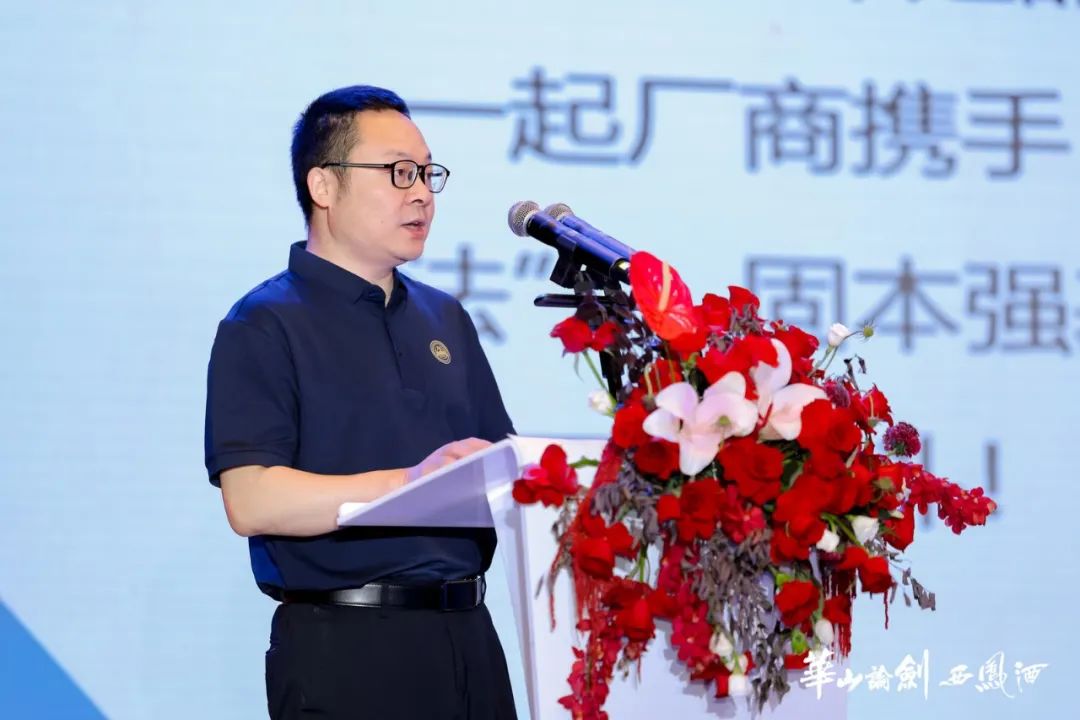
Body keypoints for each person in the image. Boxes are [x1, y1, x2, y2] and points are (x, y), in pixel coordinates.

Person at [204, 85, 518, 719]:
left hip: (469, 638)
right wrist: (410, 483)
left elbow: (500, 468)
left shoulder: (445, 317)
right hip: (346, 649)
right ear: (323, 185)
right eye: (399, 172)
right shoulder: (263, 323)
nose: (421, 193)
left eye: (427, 173)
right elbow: (252, 500)